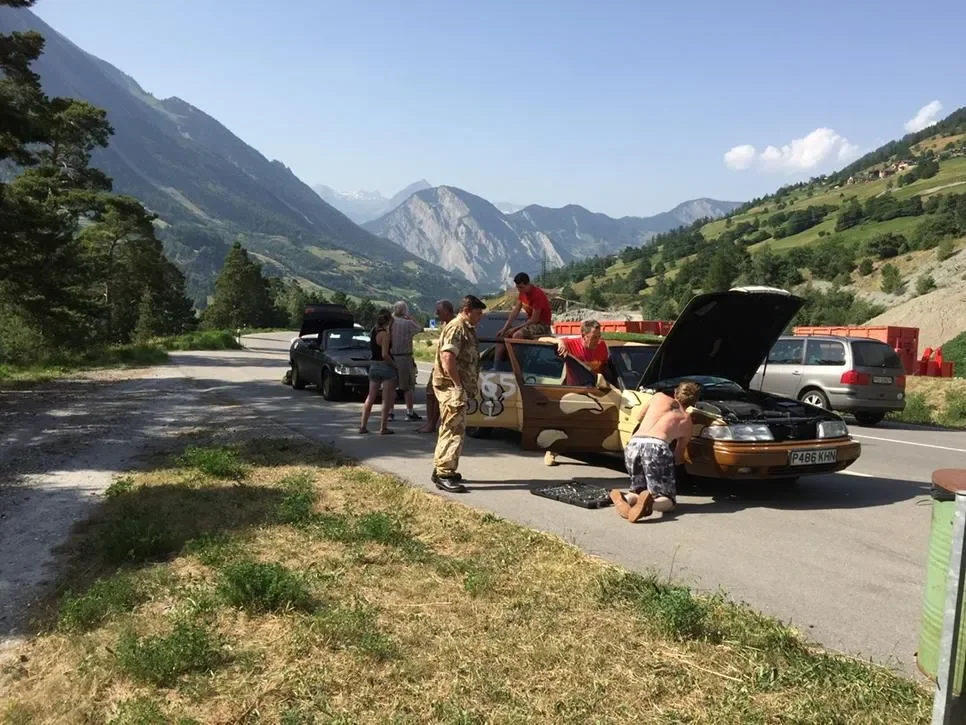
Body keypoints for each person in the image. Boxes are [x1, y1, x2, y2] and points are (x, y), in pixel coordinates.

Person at [610, 381, 701, 522]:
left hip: (634, 443)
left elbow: (639, 417)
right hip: (656, 446)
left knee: (638, 490)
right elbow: (678, 455)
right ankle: (651, 503)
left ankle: (626, 499)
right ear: (695, 401)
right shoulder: (686, 421)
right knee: (668, 501)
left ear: (675, 392)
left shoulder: (658, 397)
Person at [431, 295, 486, 493]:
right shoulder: (457, 327)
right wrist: (457, 385)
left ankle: (442, 468)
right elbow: (448, 357)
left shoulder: (466, 328)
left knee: (453, 427)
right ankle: (444, 473)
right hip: (451, 388)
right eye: (478, 313)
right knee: (453, 429)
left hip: (455, 387)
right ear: (467, 310)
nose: (480, 317)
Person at [539, 318, 610, 466]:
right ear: (583, 336)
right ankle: (551, 451)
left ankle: (591, 448)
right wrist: (559, 342)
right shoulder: (571, 344)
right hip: (572, 390)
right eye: (594, 337)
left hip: (593, 391)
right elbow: (541, 339)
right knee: (563, 422)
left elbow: (605, 368)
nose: (598, 340)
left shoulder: (602, 347)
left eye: (599, 336)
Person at [418, 299, 456, 434]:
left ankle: (433, 423)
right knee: (430, 394)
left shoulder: (454, 326)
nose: (436, 314)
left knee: (437, 396)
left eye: (439, 311)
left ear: (446, 311)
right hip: (437, 366)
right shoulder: (445, 325)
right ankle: (430, 423)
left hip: (445, 368)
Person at [359, 310, 396, 435]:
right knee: (386, 399)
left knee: (370, 396)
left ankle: (363, 425)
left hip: (373, 366)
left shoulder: (373, 331)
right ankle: (383, 427)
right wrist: (394, 364)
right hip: (385, 366)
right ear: (389, 321)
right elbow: (385, 354)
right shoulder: (385, 334)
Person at [389, 301, 423, 422]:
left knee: (391, 386)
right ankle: (409, 412)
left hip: (391, 357)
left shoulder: (390, 322)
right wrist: (411, 318)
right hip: (405, 357)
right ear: (405, 311)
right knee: (408, 386)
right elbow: (420, 328)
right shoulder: (408, 323)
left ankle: (390, 412)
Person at [497, 272, 553, 340]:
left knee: (517, 335)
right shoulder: (522, 292)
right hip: (530, 324)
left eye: (521, 287)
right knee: (503, 334)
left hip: (542, 325)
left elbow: (534, 320)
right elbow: (515, 311)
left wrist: (515, 328)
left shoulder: (537, 295)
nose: (519, 290)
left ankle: (515, 350)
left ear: (528, 284)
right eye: (517, 287)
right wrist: (505, 328)